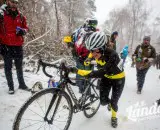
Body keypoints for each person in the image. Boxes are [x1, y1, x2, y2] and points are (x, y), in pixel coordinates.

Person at [70, 31, 125, 128]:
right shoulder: (97, 52)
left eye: (94, 51)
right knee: (103, 101)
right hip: (107, 77)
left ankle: (113, 116)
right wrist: (88, 58)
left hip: (118, 79)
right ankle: (109, 103)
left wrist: (78, 71)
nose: (93, 54)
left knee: (114, 102)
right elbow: (92, 54)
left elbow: (99, 73)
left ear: (102, 48)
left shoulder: (113, 56)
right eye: (91, 51)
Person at [0, 0, 29, 94]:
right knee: (8, 68)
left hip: (18, 45)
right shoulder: (2, 15)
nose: (14, 4)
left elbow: (26, 28)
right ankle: (11, 87)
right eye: (12, 2)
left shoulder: (20, 16)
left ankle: (22, 84)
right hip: (6, 45)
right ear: (8, 2)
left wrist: (23, 31)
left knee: (19, 67)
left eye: (16, 3)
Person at [64, 18, 98, 93]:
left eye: (94, 24)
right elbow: (71, 39)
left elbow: (97, 46)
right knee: (81, 73)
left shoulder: (94, 32)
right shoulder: (80, 31)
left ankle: (86, 91)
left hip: (88, 57)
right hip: (79, 56)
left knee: (87, 74)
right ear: (87, 23)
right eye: (92, 24)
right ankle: (82, 90)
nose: (93, 26)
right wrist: (69, 42)